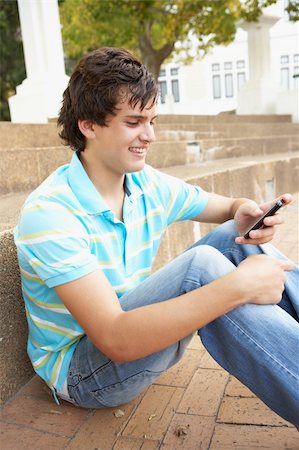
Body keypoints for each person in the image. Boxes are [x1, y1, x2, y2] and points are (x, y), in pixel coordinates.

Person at [14, 47, 299, 426]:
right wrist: (240, 287)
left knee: (235, 236)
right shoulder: (49, 214)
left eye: (152, 120)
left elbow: (225, 207)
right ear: (89, 125)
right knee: (201, 268)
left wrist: (242, 208)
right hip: (86, 373)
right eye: (134, 122)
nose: (150, 136)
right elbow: (115, 339)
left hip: (133, 332)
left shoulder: (144, 183)